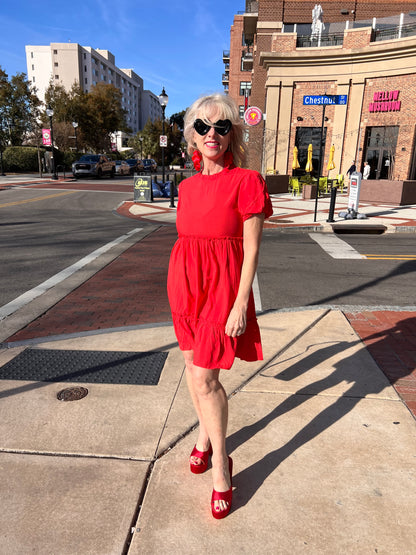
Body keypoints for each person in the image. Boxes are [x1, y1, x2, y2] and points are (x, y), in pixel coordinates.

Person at [167, 94, 273, 519]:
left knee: (206, 379)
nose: (212, 134)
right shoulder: (186, 187)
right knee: (192, 373)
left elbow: (250, 251)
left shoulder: (247, 181)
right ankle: (205, 439)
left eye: (222, 127)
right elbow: (187, 243)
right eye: (203, 127)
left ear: (233, 134)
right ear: (192, 135)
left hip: (223, 289)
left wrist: (241, 302)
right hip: (184, 287)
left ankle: (220, 469)